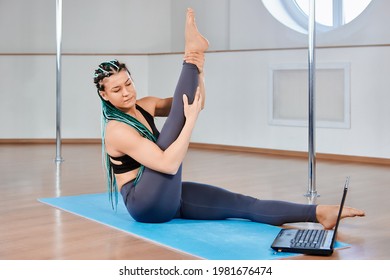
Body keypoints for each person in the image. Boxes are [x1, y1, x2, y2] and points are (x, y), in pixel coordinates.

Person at [93, 8, 364, 229]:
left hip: (166, 194)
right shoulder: (116, 130)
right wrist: (191, 122)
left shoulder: (145, 105)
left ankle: (318, 213)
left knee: (243, 204)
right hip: (145, 204)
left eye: (128, 83)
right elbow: (168, 163)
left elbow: (197, 102)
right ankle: (191, 53)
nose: (127, 92)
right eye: (117, 90)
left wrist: (200, 70)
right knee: (179, 120)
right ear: (105, 96)